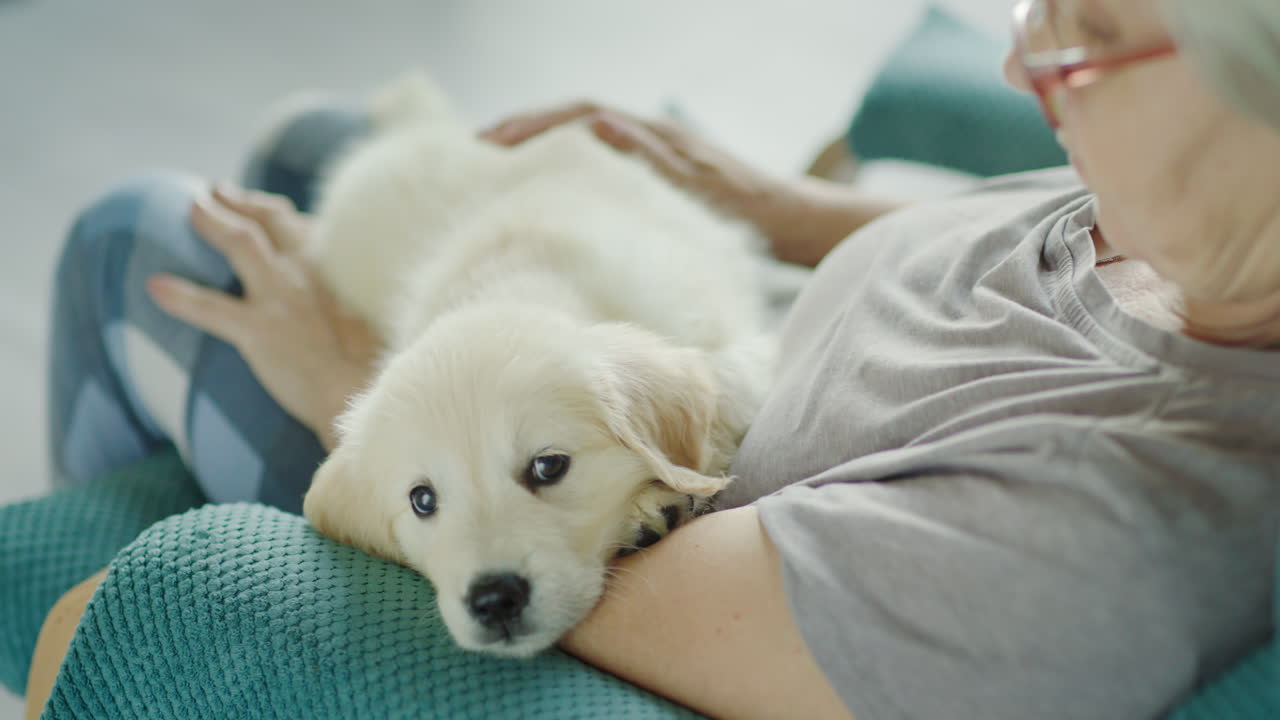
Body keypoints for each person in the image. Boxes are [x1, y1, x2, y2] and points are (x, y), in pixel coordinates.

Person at [25, 0, 1280, 718]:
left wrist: (364, 392)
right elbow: (1023, 233)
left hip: (555, 471)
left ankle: (92, 558)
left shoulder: (1091, 549)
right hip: (709, 334)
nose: (1018, 63)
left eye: (1082, 32)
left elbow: (544, 577)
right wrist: (769, 202)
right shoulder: (1183, 222)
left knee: (137, 238)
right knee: (314, 146)